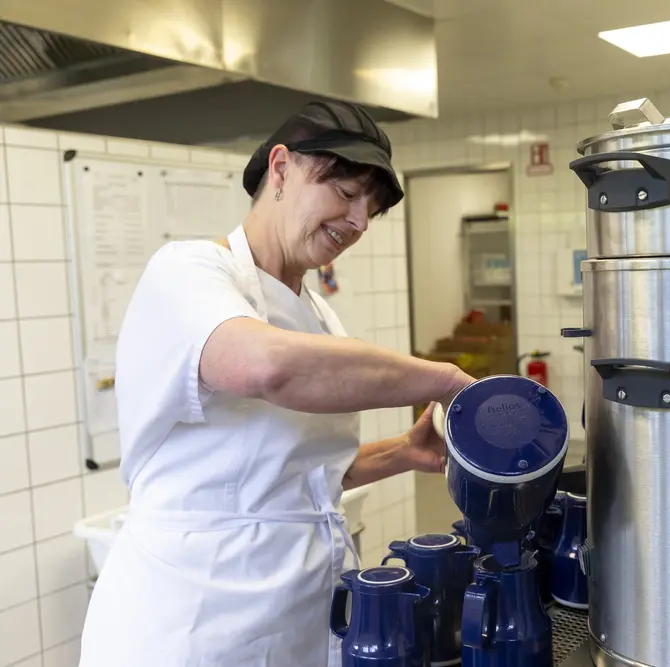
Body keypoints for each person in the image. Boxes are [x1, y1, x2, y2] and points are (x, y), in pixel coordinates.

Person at [78, 100, 475, 667]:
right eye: (346, 192)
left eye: (373, 208)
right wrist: (444, 380)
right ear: (281, 169)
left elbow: (292, 473)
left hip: (302, 608)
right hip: (197, 615)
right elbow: (267, 367)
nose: (361, 221)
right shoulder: (187, 271)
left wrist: (402, 453)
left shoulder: (314, 312)